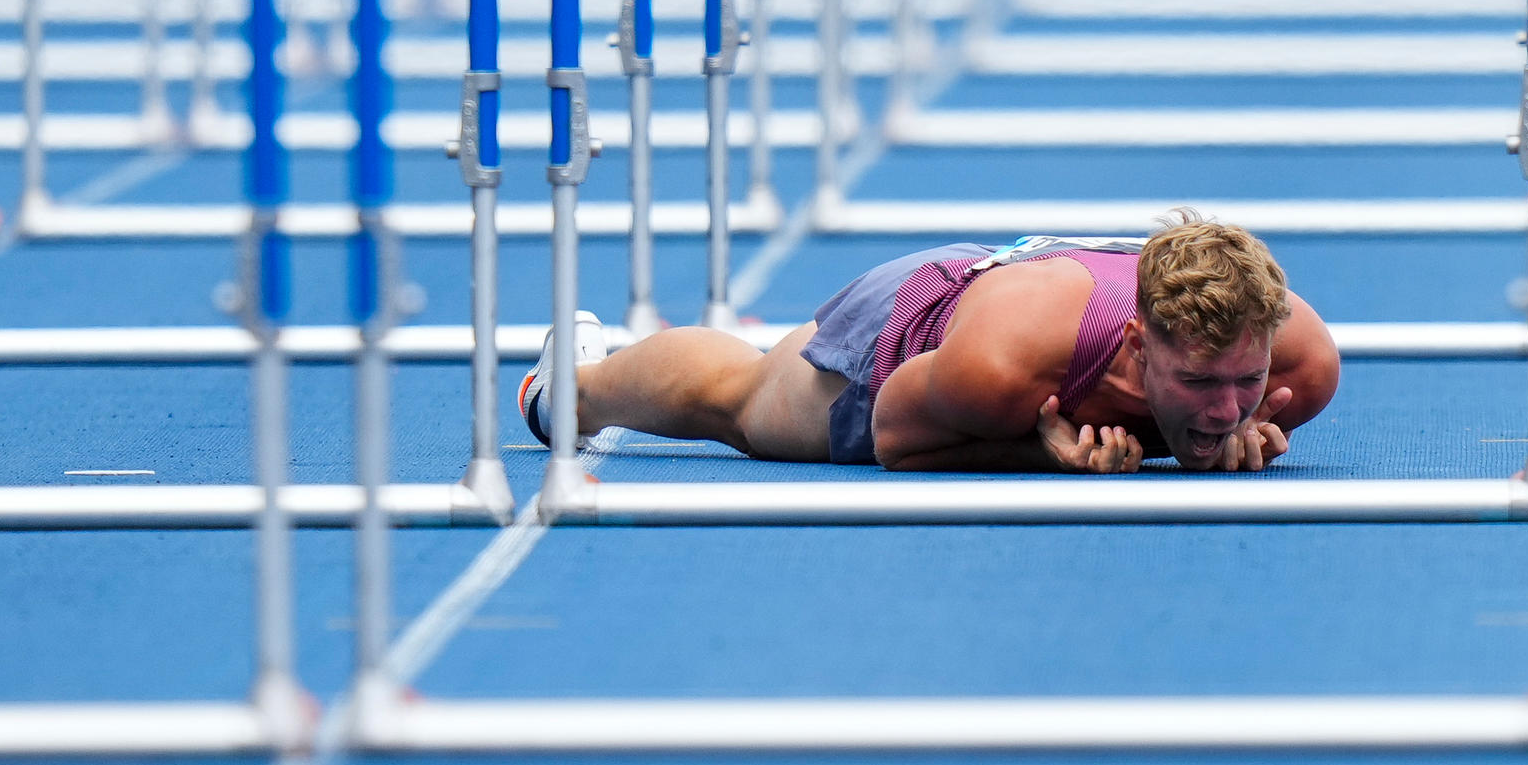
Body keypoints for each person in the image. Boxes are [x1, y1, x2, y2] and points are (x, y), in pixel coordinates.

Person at [522, 217, 1341, 473]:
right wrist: (1037, 453)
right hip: (931, 320)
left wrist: (1228, 431)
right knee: (742, 406)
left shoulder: (1301, 368)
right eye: (1201, 383)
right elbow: (895, 438)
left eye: (1246, 380)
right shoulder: (1004, 366)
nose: (1231, 406)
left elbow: (1234, 401)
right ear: (1138, 342)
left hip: (1034, 288)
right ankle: (571, 385)